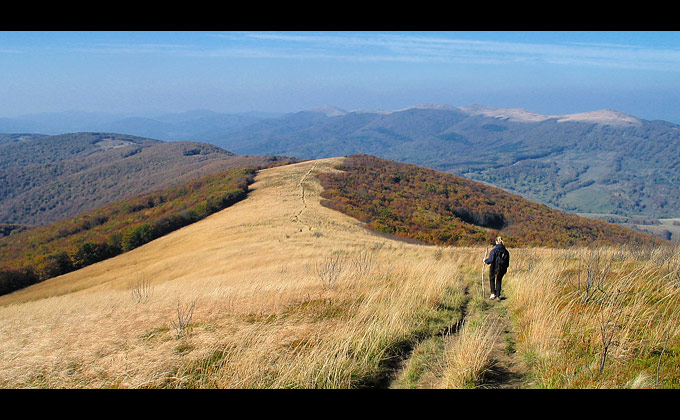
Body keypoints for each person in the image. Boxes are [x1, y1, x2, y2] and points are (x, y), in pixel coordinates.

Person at [483, 236, 510, 300]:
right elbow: (507, 263)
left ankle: (493, 294)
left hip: (494, 267)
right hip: (502, 268)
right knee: (499, 280)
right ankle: (498, 295)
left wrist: (485, 260)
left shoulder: (494, 250)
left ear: (496, 242)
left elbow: (490, 260)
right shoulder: (506, 251)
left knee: (492, 279)